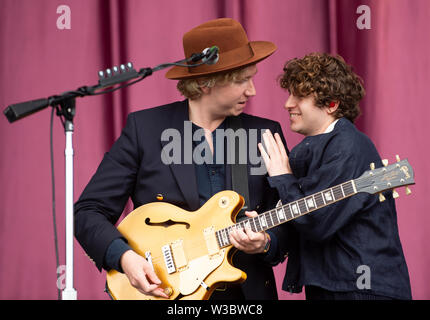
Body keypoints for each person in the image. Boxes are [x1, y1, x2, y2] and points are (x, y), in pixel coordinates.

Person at [74, 18, 286, 300]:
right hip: (167, 294)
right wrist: (124, 258)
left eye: (252, 77)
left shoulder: (264, 134)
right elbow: (88, 211)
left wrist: (267, 242)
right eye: (241, 80)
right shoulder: (145, 130)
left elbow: (288, 217)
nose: (252, 90)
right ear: (204, 82)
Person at [233, 52, 412, 300]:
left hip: (361, 290)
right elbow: (298, 221)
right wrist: (263, 239)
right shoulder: (311, 150)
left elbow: (316, 223)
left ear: (331, 104)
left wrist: (283, 177)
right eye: (289, 94)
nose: (288, 104)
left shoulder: (348, 146)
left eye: (300, 96)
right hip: (332, 288)